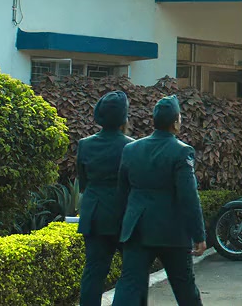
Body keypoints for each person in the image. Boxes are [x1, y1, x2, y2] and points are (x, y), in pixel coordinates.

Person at [112, 96, 206, 306]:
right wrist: (199, 235)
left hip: (137, 228)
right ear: (175, 123)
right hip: (171, 231)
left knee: (129, 284)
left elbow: (122, 192)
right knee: (184, 287)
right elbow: (188, 196)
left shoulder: (131, 149)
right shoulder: (182, 151)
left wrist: (121, 228)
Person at [76, 91, 135, 306]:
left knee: (93, 273)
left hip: (94, 215)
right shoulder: (132, 146)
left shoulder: (85, 144)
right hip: (124, 216)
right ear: (123, 117)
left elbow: (83, 182)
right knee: (132, 272)